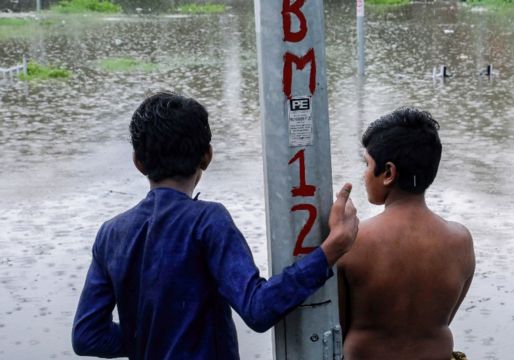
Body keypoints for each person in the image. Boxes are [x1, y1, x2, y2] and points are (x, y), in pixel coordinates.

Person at [71, 91, 359, 359]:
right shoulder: (207, 222)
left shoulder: (111, 234)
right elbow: (257, 308)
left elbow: (87, 335)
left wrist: (148, 337)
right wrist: (331, 249)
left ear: (138, 162)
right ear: (207, 156)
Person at [337, 107, 475, 360]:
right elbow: (446, 316)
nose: (364, 175)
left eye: (367, 164)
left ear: (388, 173)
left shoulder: (352, 241)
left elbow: (338, 327)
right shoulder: (461, 241)